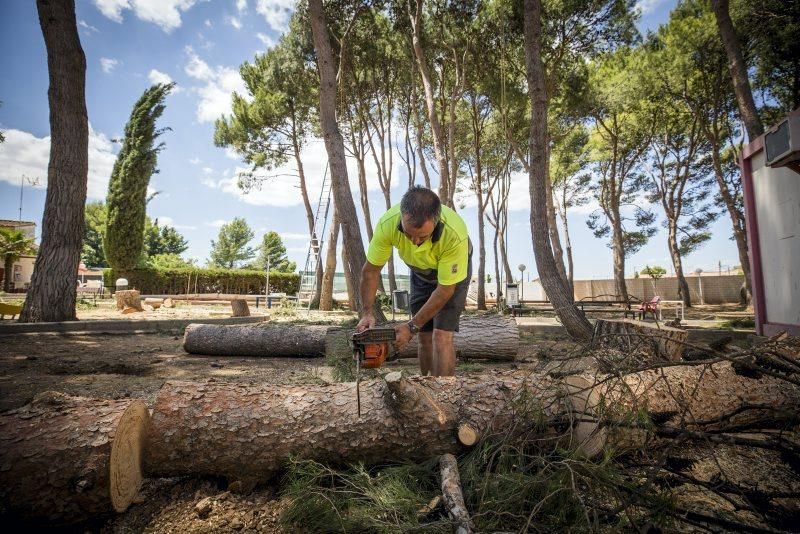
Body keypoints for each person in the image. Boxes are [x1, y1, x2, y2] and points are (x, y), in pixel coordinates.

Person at [356, 186, 472, 377]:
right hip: (420, 272)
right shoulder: (387, 224)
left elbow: (444, 290)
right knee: (424, 336)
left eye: (423, 236)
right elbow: (370, 272)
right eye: (408, 234)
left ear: (436, 222)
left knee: (441, 336)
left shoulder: (454, 234)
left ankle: (444, 394)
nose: (415, 242)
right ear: (401, 217)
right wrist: (367, 312)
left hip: (450, 279)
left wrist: (410, 327)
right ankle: (426, 389)